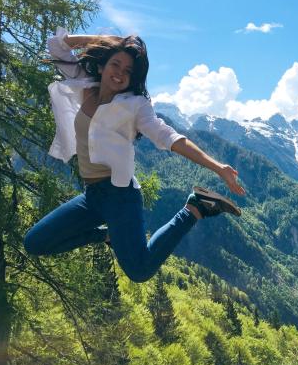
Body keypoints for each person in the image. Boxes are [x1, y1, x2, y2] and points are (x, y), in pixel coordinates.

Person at [23, 27, 246, 283]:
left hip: (121, 195)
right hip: (92, 196)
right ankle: (105, 235)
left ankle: (195, 207)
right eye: (115, 64)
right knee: (35, 242)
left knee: (139, 271)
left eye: (128, 71)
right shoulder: (85, 82)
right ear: (103, 64)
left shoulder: (136, 106)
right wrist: (107, 41)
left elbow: (170, 138)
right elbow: (57, 45)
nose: (119, 73)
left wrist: (218, 167)